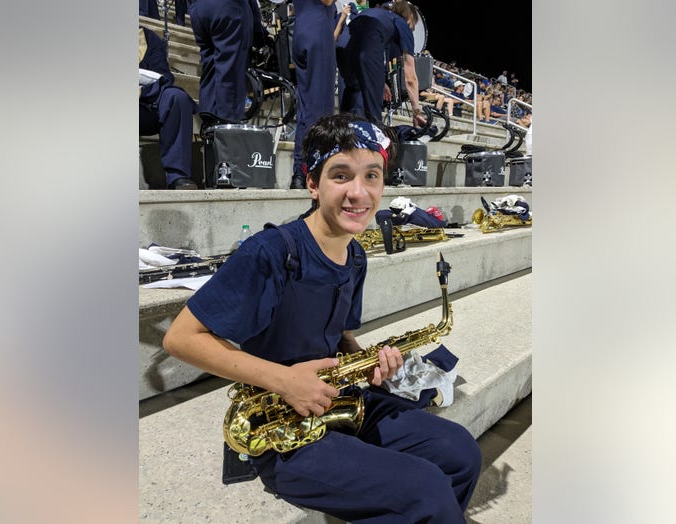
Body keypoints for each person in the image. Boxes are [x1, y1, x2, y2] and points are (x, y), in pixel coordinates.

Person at [162, 113, 481, 523]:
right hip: (281, 427)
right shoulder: (270, 252)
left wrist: (367, 361)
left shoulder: (356, 255)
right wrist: (286, 380)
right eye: (341, 175)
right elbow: (181, 338)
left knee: (461, 453)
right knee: (424, 489)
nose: (359, 193)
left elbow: (340, 335)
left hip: (340, 399)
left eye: (372, 176)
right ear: (312, 183)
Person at [337, 0, 427, 127]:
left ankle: (342, 136)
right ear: (410, 17)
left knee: (350, 98)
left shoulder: (379, 15)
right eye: (413, 24)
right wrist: (417, 111)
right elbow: (410, 77)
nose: (412, 28)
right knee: (372, 113)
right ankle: (374, 140)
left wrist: (382, 81)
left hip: (343, 48)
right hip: (366, 49)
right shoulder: (401, 24)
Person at [139, 26, 197, 190]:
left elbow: (163, 77)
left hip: (144, 106)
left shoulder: (147, 38)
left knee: (176, 97)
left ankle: (177, 176)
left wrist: (142, 90)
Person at [289, 0, 338, 190]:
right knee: (320, 109)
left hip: (301, 29)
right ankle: (309, 171)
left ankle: (300, 173)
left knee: (307, 108)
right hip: (317, 32)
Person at [187, 0, 264, 122]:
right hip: (228, 8)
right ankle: (227, 132)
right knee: (231, 76)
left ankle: (209, 127)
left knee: (210, 71)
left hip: (198, 8)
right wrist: (258, 30)